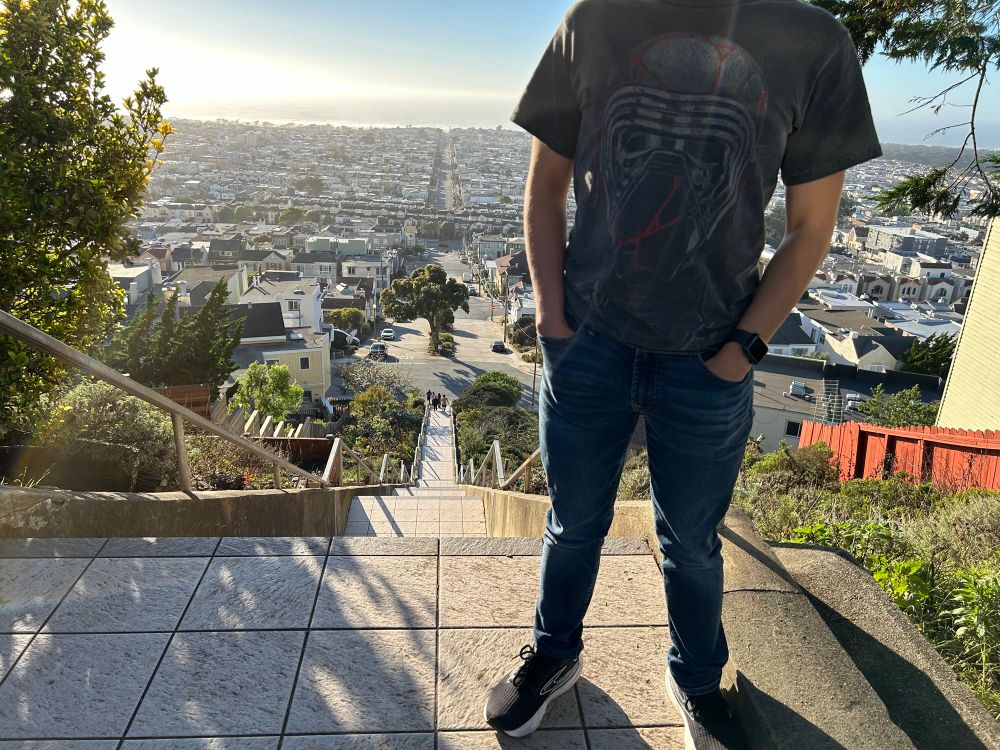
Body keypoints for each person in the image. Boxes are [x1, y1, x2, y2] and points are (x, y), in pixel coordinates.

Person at [483, 2, 882, 748]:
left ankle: (698, 675)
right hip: (590, 341)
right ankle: (554, 652)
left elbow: (811, 228)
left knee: (692, 542)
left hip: (710, 356)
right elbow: (544, 187)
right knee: (572, 525)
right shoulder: (595, 18)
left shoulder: (813, 39)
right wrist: (551, 321)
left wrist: (741, 351)